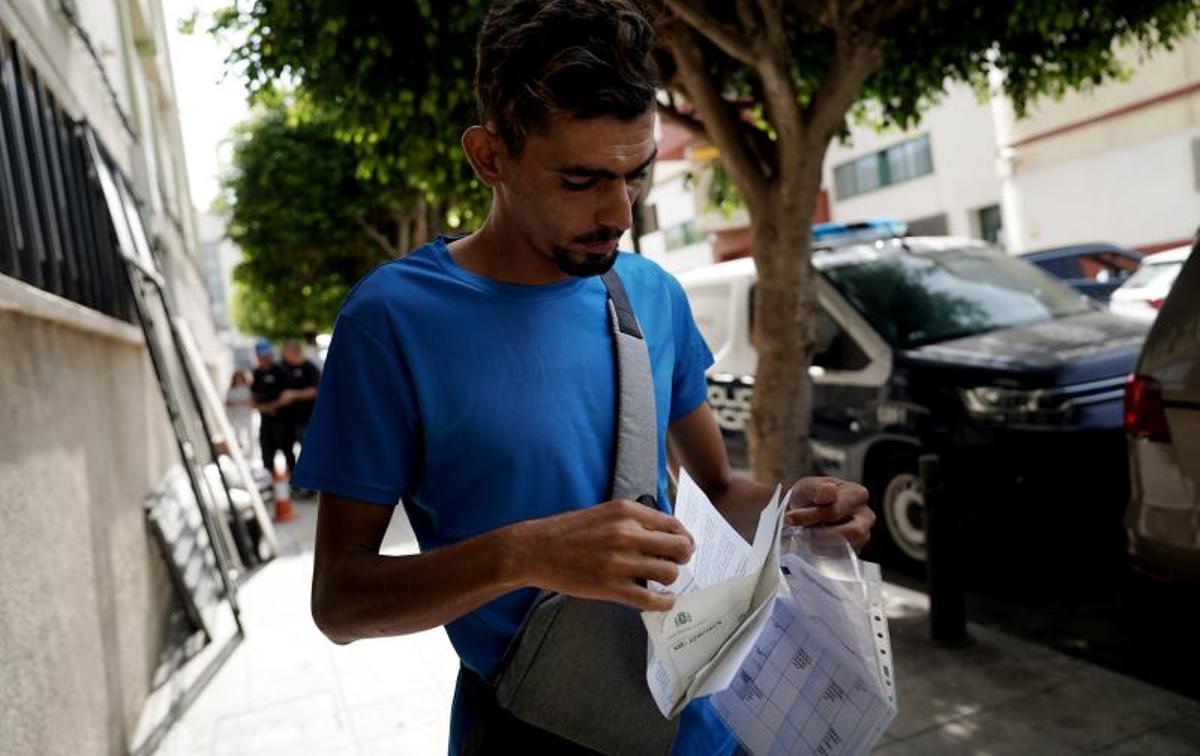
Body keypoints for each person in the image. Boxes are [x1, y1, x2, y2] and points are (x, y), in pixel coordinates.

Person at [292, 1, 875, 753]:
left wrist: (801, 509)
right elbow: (340, 602)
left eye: (637, 174)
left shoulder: (653, 295)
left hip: (711, 719)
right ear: (488, 157)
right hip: (535, 723)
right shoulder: (390, 321)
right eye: (580, 180)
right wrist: (524, 554)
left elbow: (719, 490)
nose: (618, 212)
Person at [276, 338, 321, 465]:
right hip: (285, 420)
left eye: (286, 351)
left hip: (307, 418)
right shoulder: (281, 368)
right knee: (287, 452)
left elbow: (317, 390)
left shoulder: (310, 368)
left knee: (310, 450)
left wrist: (294, 395)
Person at [250, 339, 290, 472]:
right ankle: (272, 479)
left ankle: (296, 484)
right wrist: (260, 407)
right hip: (266, 420)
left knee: (287, 450)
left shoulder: (280, 371)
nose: (264, 358)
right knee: (267, 451)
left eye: (266, 354)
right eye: (261, 355)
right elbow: (254, 396)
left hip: (282, 418)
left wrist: (273, 406)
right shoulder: (256, 373)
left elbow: (287, 395)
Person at [223, 369, 254, 456]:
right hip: (235, 416)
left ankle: (251, 453)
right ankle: (238, 452)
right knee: (237, 435)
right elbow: (227, 402)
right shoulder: (231, 389)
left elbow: (251, 401)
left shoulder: (247, 388)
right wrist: (239, 403)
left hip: (246, 415)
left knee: (249, 434)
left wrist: (240, 403)